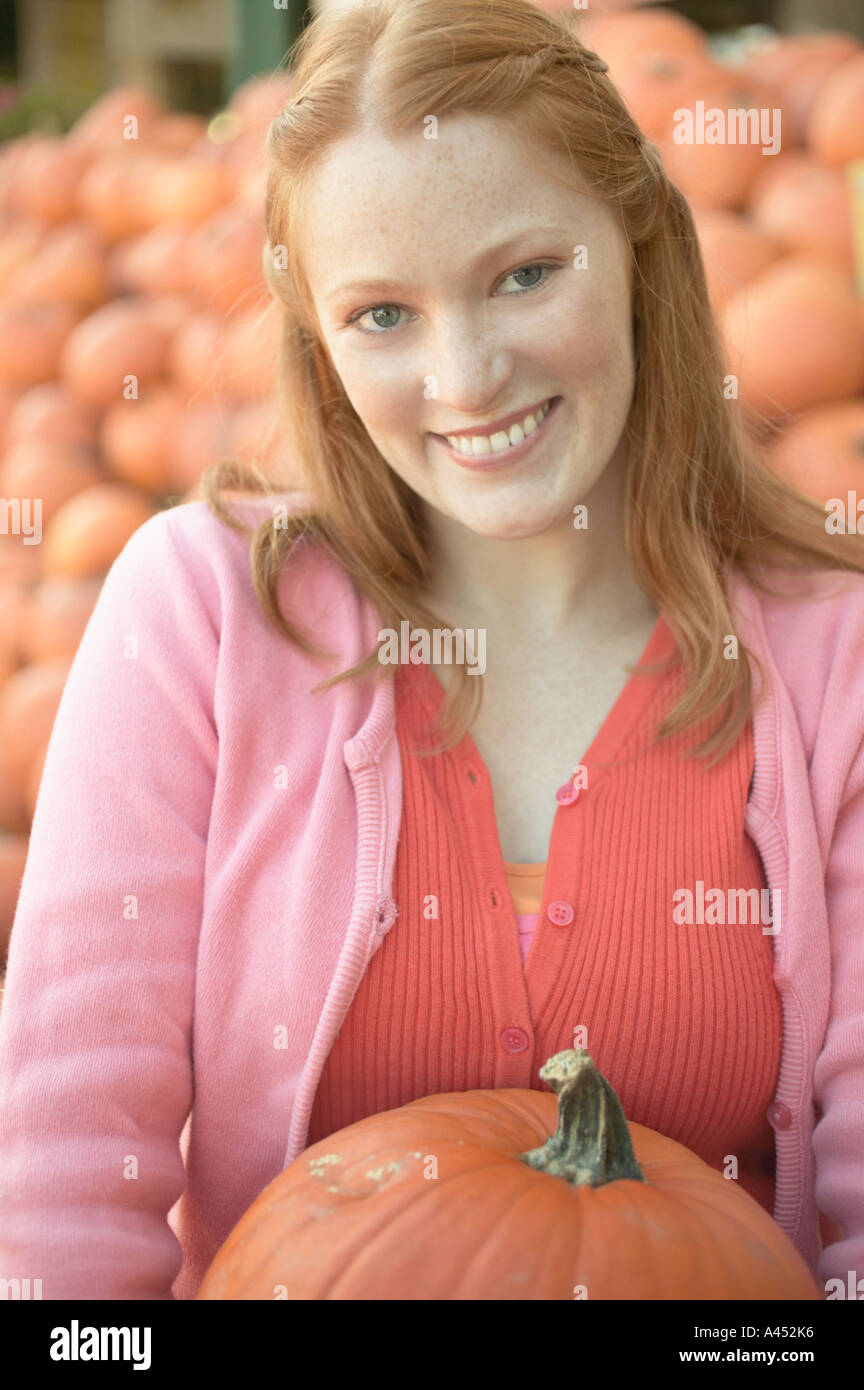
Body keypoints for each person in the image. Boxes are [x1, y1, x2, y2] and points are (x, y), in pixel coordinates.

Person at [1, 0, 863, 1302]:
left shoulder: (830, 653)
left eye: (525, 274)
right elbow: (63, 1193)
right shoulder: (199, 616)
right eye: (383, 316)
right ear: (319, 342)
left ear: (638, 246)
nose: (466, 379)